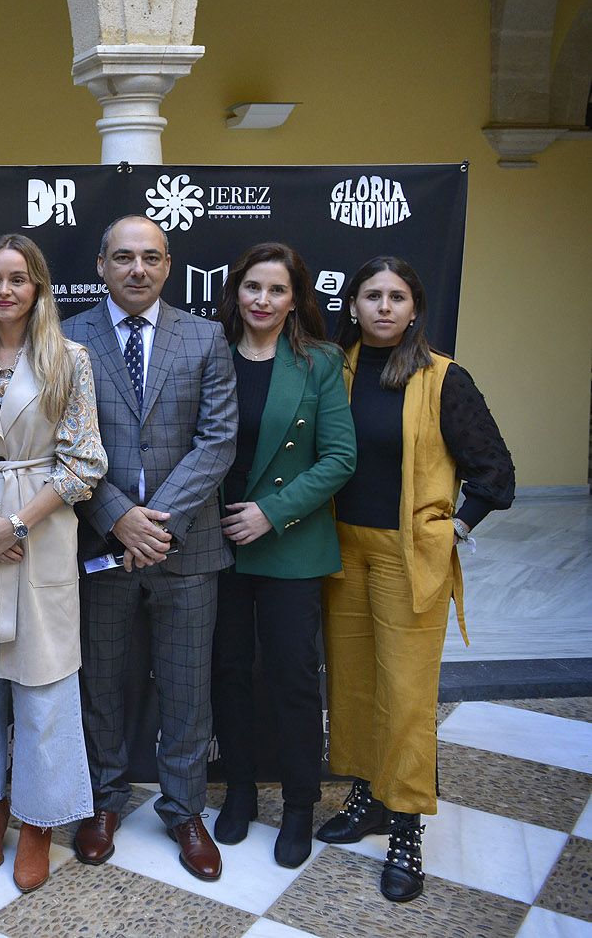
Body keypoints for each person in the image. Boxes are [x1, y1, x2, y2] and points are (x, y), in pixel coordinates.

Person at [316, 255, 514, 903]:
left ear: (413, 308)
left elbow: (496, 473)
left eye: (397, 296)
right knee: (353, 685)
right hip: (342, 551)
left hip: (409, 554)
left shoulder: (442, 378)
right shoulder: (333, 369)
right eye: (371, 294)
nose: (383, 306)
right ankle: (369, 796)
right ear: (352, 306)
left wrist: (451, 529)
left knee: (405, 696)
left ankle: (406, 827)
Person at [61, 215, 236, 883]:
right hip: (98, 546)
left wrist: (154, 523)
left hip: (185, 550)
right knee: (100, 682)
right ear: (102, 263)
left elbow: (217, 440)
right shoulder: (68, 336)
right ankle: (103, 802)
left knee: (188, 690)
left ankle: (184, 809)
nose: (138, 269)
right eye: (125, 257)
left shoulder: (206, 335)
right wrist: (118, 517)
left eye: (152, 257)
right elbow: (59, 440)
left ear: (169, 266)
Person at [0, 235, 106, 892]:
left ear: (38, 287)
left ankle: (37, 820)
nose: (4, 290)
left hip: (40, 533)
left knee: (43, 681)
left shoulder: (69, 358)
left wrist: (15, 522)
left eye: (18, 278)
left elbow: (84, 462)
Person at [207, 243, 356, 868]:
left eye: (276, 290)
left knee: (295, 682)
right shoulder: (209, 351)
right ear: (235, 290)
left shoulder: (318, 361)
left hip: (290, 546)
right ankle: (238, 789)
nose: (262, 301)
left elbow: (340, 458)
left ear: (295, 299)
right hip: (216, 546)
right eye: (252, 288)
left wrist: (272, 511)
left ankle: (299, 803)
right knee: (230, 675)